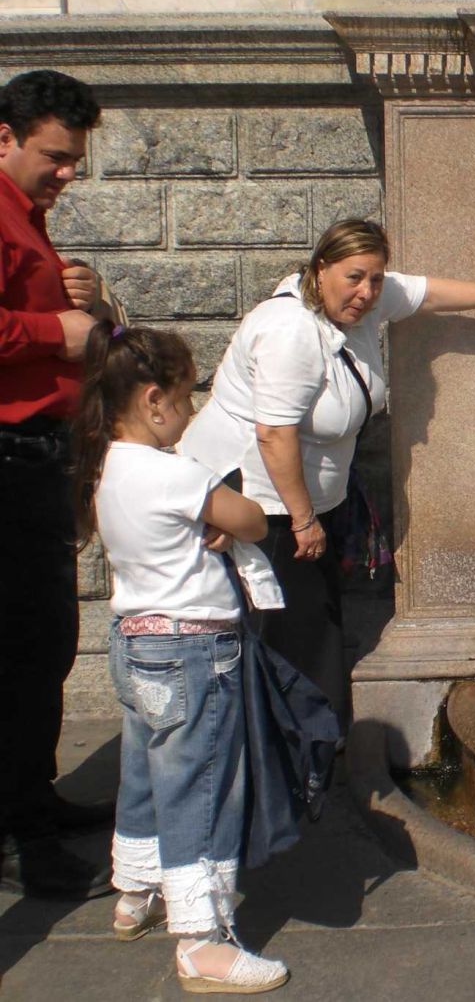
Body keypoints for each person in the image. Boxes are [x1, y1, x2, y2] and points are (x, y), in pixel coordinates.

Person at [179, 218, 475, 728]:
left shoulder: (360, 301)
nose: (367, 292)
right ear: (320, 268)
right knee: (287, 638)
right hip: (262, 506)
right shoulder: (291, 331)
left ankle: (310, 755)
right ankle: (288, 756)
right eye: (354, 277)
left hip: (300, 503)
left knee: (310, 633)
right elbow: (274, 435)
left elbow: (422, 293)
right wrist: (306, 521)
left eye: (374, 278)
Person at [75, 322, 288, 993]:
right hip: (193, 650)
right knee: (200, 785)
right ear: (151, 400)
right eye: (184, 395)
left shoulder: (106, 466)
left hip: (135, 641)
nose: (190, 409)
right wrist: (226, 518)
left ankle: (136, 891)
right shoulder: (172, 473)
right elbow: (252, 517)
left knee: (144, 769)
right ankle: (202, 938)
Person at [0, 68, 114, 899]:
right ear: (3, 137)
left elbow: (75, 330)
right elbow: (39, 335)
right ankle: (23, 840)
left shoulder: (27, 218)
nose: (68, 171)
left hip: (37, 455)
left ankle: (31, 799)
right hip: (9, 458)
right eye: (55, 155)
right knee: (24, 650)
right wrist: (58, 328)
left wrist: (89, 302)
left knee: (42, 648)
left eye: (75, 157)